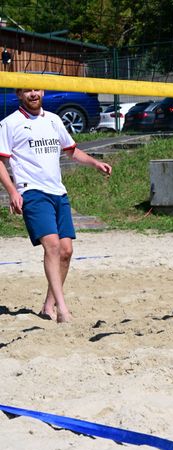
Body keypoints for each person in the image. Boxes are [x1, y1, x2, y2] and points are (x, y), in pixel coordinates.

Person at [0, 88, 112, 323]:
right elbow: (1, 161)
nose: (33, 94)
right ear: (19, 94)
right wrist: (12, 191)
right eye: (27, 90)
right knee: (51, 246)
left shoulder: (53, 119)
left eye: (36, 90)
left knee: (66, 251)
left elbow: (71, 151)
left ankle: (48, 306)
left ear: (42, 92)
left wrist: (95, 163)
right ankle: (63, 310)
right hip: (31, 191)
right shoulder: (9, 124)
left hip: (58, 192)